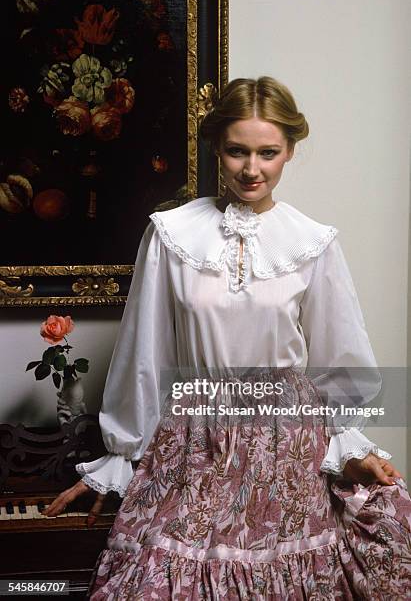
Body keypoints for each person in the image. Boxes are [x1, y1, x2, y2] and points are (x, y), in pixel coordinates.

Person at [44, 77, 411, 599]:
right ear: (218, 147)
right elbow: (144, 354)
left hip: (287, 444)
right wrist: (120, 456)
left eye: (268, 152)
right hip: (196, 437)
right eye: (238, 151)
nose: (251, 168)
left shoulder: (313, 242)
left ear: (290, 152)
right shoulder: (171, 234)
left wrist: (351, 442)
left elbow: (339, 358)